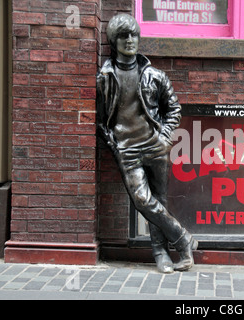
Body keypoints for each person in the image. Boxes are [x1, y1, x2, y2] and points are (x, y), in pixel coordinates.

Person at [96, 14, 198, 273]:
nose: (130, 40)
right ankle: (183, 238)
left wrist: (164, 138)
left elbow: (173, 108)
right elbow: (100, 120)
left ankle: (163, 254)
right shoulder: (105, 77)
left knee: (159, 201)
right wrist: (114, 145)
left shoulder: (154, 75)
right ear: (113, 41)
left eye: (134, 34)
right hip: (127, 150)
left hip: (155, 146)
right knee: (143, 199)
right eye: (123, 36)